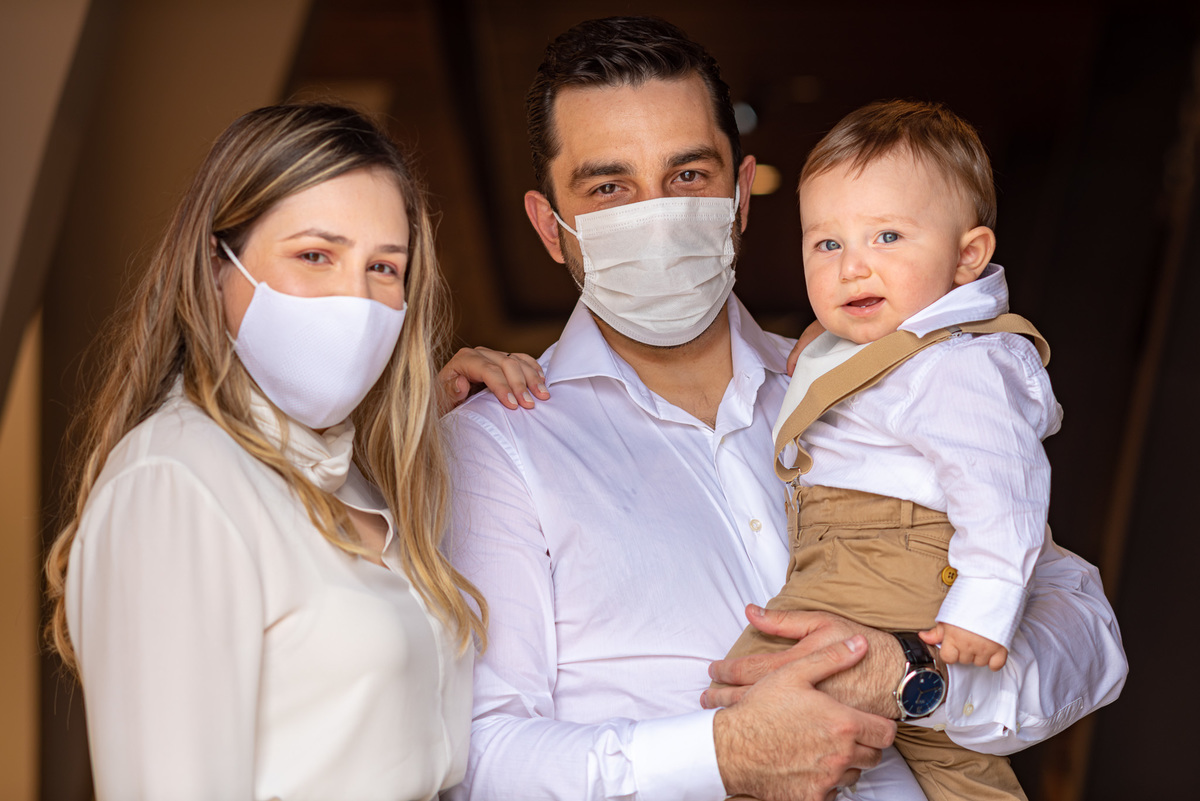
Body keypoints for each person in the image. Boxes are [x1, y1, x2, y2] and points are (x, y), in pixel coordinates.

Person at [443, 16, 1127, 801]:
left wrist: (917, 678)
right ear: (548, 225)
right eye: (609, 188)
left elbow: (1089, 633)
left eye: (689, 175)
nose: (656, 213)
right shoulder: (493, 443)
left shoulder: (890, 378)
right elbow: (480, 758)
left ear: (739, 195)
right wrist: (722, 752)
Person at [42, 103, 541, 801]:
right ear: (218, 265)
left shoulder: (362, 483)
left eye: (384, 267)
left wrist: (437, 429)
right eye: (315, 255)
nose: (355, 298)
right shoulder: (175, 483)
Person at [717, 99, 1061, 800]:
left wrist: (983, 607)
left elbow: (1002, 485)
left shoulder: (958, 364)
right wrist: (827, 352)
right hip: (859, 557)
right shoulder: (880, 351)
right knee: (952, 763)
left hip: (887, 560)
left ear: (968, 256)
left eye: (887, 237)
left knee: (760, 691)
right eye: (827, 244)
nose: (852, 268)